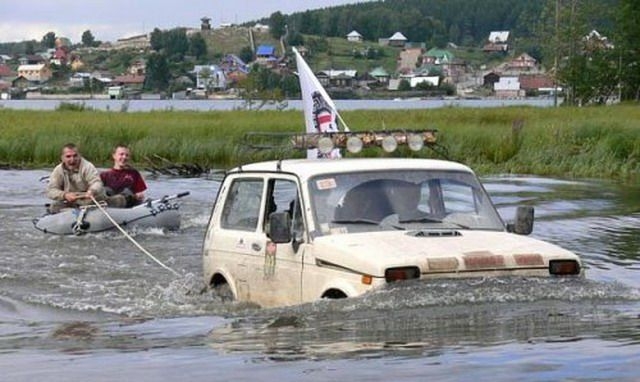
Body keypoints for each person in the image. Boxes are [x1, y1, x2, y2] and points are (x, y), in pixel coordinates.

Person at [46, 143, 105, 213]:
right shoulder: (58, 170)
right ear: (62, 158)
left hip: (91, 201)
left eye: (75, 156)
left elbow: (97, 182)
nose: (72, 159)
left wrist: (92, 190)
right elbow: (51, 190)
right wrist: (65, 195)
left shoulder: (88, 167)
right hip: (71, 202)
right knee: (54, 206)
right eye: (68, 156)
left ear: (79, 156)